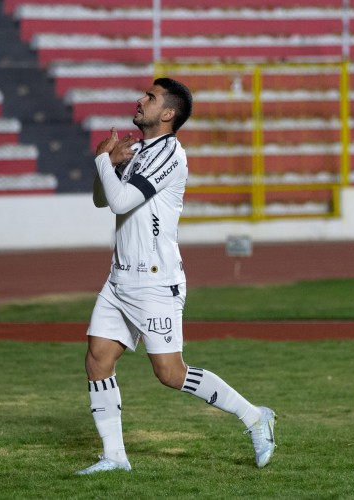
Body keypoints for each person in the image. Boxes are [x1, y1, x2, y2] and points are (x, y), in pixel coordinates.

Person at [76, 78, 276, 475]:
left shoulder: (170, 154)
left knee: (170, 372)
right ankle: (115, 457)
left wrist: (102, 158)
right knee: (98, 360)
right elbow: (104, 200)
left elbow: (120, 199)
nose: (140, 100)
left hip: (154, 282)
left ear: (167, 114)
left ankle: (256, 417)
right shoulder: (139, 151)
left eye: (150, 98)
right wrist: (111, 165)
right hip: (120, 279)